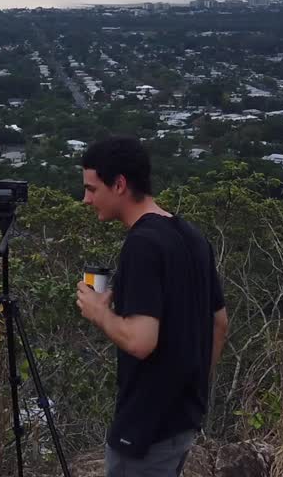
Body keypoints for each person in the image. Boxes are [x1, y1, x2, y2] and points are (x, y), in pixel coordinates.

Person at [75, 136, 229, 477]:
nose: (86, 199)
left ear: (119, 185)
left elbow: (142, 341)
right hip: (182, 420)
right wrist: (195, 391)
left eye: (91, 188)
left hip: (146, 427)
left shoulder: (142, 246)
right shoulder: (190, 234)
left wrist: (98, 312)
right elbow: (219, 322)